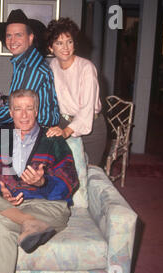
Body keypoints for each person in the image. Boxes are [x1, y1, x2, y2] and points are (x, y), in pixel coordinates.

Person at [0, 89, 78, 273]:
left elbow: (69, 181)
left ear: (37, 112)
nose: (23, 115)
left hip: (48, 208)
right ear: (10, 112)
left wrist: (42, 182)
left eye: (29, 109)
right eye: (18, 109)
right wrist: (0, 192)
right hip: (9, 205)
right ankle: (27, 222)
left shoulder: (52, 139)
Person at [46, 17, 107, 167]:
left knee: (90, 172)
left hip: (91, 128)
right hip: (63, 122)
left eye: (69, 41)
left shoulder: (86, 68)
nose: (65, 47)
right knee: (65, 172)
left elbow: (86, 110)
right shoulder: (53, 65)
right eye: (59, 43)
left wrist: (66, 132)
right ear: (51, 48)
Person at [0, 9, 60, 130]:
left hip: (40, 132)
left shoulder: (31, 67)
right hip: (30, 127)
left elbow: (16, 106)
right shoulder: (25, 62)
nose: (12, 41)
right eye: (9, 35)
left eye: (18, 35)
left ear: (30, 38)